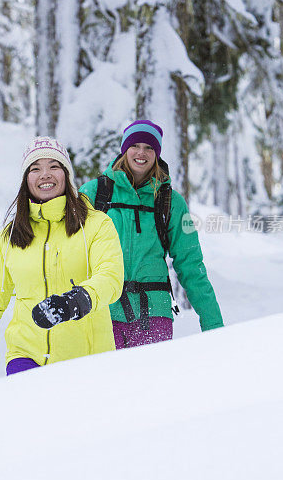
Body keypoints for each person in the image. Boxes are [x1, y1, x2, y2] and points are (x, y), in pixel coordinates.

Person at [0, 136, 124, 384]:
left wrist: (76, 301)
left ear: (66, 175)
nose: (45, 175)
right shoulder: (12, 235)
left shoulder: (96, 225)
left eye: (54, 166)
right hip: (25, 356)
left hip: (86, 359)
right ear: (26, 179)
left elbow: (111, 278)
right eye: (35, 168)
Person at [80, 120, 223, 349]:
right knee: (107, 384)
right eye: (135, 145)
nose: (141, 153)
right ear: (124, 149)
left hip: (154, 315)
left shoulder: (172, 202)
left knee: (151, 384)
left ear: (157, 154)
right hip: (104, 313)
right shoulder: (94, 193)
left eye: (149, 148)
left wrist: (213, 322)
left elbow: (191, 264)